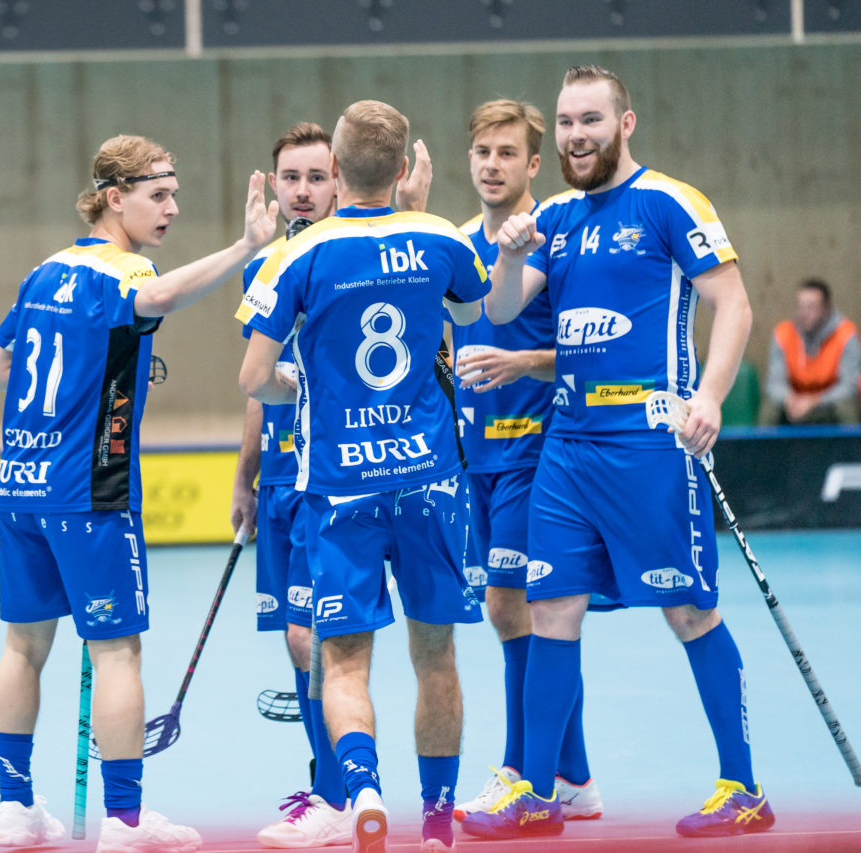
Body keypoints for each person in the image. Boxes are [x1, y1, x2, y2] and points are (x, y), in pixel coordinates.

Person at [463, 65, 771, 840]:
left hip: (650, 444)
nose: (576, 136)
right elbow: (501, 305)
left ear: (624, 124)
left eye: (590, 121)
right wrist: (509, 254)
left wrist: (709, 395)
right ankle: (539, 792)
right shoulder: (556, 216)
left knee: (689, 610)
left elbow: (733, 304)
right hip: (568, 447)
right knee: (550, 607)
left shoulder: (669, 202)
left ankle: (743, 787)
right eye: (566, 122)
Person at [0, 133, 277, 852]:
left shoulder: (44, 272)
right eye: (159, 195)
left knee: (23, 645)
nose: (171, 208)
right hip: (90, 492)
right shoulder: (126, 270)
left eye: (174, 194)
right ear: (114, 199)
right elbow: (160, 295)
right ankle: (126, 821)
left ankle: (15, 809)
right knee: (118, 653)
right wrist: (246, 247)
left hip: (19, 486)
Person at [238, 99, 488, 853]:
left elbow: (254, 378)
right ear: (404, 169)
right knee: (436, 653)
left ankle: (364, 791)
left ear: (336, 172)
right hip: (430, 479)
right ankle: (438, 821)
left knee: (344, 660)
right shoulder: (441, 237)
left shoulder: (297, 255)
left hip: (341, 485)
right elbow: (472, 313)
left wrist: (303, 383)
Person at [449, 99, 602, 824]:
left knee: (515, 606)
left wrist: (524, 362)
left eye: (507, 153)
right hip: (474, 457)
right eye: (483, 151)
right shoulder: (456, 243)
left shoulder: (553, 236)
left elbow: (593, 347)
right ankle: (574, 777)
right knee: (524, 616)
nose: (492, 165)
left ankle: (520, 770)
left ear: (535, 163)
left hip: (538, 452)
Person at [229, 121, 354, 848]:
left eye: (316, 176)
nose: (302, 190)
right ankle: (325, 782)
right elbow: (258, 383)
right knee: (295, 637)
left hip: (335, 480)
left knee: (317, 638)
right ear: (273, 187)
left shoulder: (355, 255)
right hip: (278, 479)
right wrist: (244, 476)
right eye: (291, 178)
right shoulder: (264, 267)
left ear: (339, 181)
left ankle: (340, 794)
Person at [758, 278, 861, 425]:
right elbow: (774, 383)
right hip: (793, 405)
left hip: (828, 405)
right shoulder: (783, 333)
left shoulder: (846, 334)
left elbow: (849, 386)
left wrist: (815, 401)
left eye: (811, 307)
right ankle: (762, 441)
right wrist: (790, 399)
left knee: (846, 405)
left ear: (827, 308)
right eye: (799, 307)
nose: (803, 313)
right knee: (771, 405)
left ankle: (853, 441)